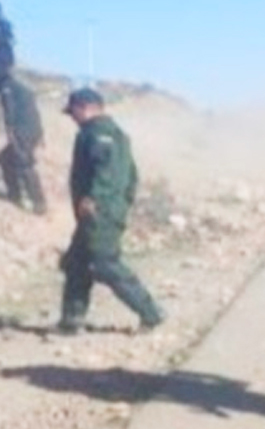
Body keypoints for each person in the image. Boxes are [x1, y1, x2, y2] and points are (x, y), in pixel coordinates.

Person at [57, 88, 164, 335]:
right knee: (76, 263)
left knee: (105, 264)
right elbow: (132, 176)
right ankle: (72, 320)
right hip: (98, 211)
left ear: (84, 107)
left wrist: (96, 198)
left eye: (73, 111)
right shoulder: (108, 133)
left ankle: (151, 312)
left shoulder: (101, 133)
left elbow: (105, 170)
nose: (72, 117)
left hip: (100, 212)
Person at [0, 75, 46, 213]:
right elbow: (34, 111)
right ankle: (14, 194)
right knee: (6, 158)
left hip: (22, 131)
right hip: (31, 129)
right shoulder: (19, 86)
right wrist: (40, 133)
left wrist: (11, 131)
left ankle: (39, 203)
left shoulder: (7, 87)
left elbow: (10, 109)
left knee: (24, 164)